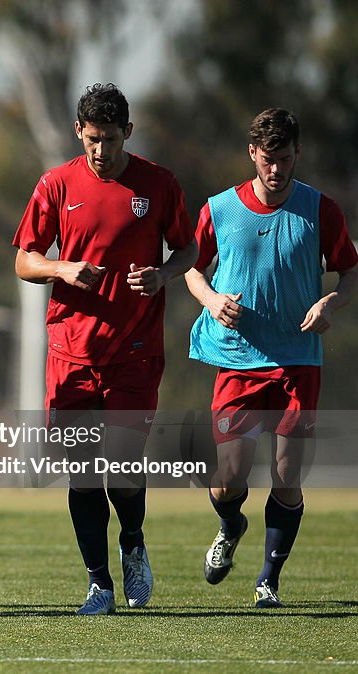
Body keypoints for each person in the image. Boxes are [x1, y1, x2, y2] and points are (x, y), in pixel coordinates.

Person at [13, 83, 197, 615]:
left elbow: (187, 249)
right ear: (79, 133)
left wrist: (162, 275)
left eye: (111, 140)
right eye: (93, 139)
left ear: (128, 134)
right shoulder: (55, 184)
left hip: (134, 350)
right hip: (71, 350)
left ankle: (133, 542)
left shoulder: (158, 184)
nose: (101, 150)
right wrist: (60, 267)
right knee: (83, 473)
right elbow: (25, 260)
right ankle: (99, 584)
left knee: (121, 464)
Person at [185, 107, 358, 609]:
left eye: (285, 159)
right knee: (229, 480)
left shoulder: (320, 210)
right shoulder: (219, 209)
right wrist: (213, 300)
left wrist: (331, 302)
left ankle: (268, 580)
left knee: (287, 475)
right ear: (252, 155)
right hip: (238, 360)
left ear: (297, 154)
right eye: (267, 160)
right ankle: (230, 524)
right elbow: (190, 268)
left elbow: (351, 273)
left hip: (298, 361)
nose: (276, 170)